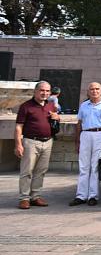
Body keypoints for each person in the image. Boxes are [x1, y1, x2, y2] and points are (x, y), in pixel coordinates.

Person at [67, 82, 101, 207]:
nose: (94, 91)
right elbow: (79, 123)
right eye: (92, 89)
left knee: (95, 166)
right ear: (88, 91)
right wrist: (77, 141)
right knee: (83, 166)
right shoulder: (84, 105)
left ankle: (93, 195)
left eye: (97, 89)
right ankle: (81, 195)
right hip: (86, 134)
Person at [15, 81, 59, 209]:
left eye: (47, 91)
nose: (44, 93)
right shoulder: (26, 106)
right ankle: (24, 198)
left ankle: (35, 196)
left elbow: (54, 120)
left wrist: (57, 117)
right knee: (26, 171)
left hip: (47, 141)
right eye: (42, 90)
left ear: (50, 92)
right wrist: (18, 144)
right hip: (30, 142)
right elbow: (19, 126)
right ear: (35, 91)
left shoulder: (51, 106)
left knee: (41, 171)